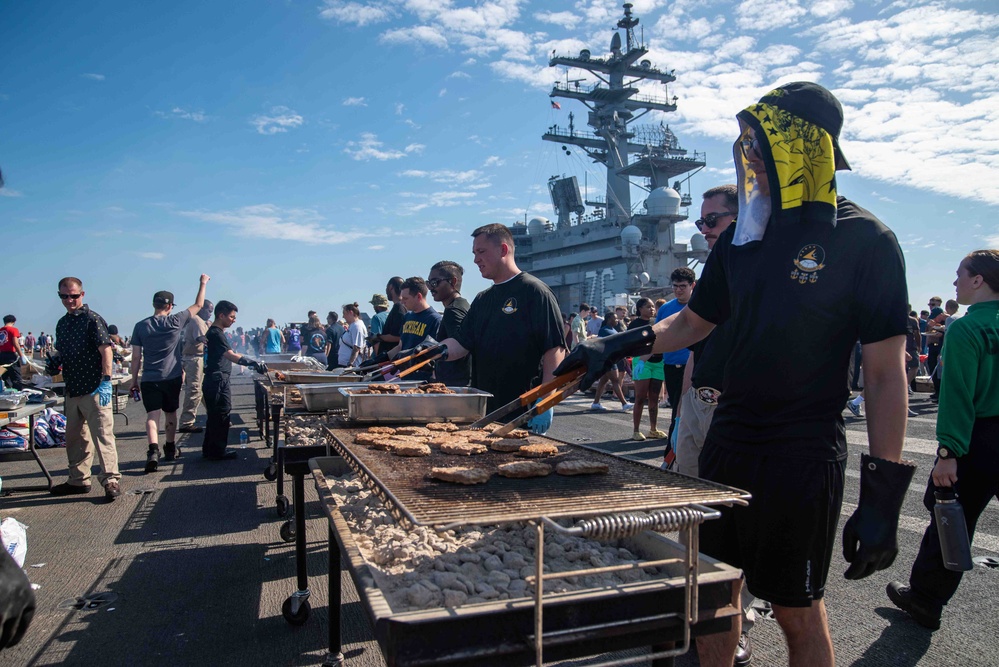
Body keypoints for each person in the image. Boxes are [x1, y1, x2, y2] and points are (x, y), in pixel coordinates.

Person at [556, 82, 914, 667]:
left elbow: (883, 373)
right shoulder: (742, 238)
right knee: (711, 594)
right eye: (743, 140)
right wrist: (616, 342)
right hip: (729, 439)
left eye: (757, 138)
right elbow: (694, 322)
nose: (745, 152)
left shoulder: (864, 239)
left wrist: (884, 492)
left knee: (798, 609)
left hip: (801, 449)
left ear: (800, 144)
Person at [887, 250, 999, 631]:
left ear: (978, 280)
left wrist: (948, 452)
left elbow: (957, 396)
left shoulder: (967, 328)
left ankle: (925, 600)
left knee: (951, 516)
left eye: (959, 276)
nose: (954, 283)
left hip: (979, 437)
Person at [433, 223, 566, 434]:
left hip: (523, 410)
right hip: (486, 412)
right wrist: (431, 351)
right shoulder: (483, 298)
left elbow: (555, 349)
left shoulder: (535, 292)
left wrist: (548, 399)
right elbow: (461, 343)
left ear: (503, 250)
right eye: (475, 253)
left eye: (481, 252)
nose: (476, 259)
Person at [52, 276, 124, 500]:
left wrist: (106, 380)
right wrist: (54, 363)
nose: (69, 300)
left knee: (102, 435)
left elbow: (106, 350)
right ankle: (78, 480)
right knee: (75, 439)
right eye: (64, 296)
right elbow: (62, 352)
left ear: (82, 294)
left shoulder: (93, 320)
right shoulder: (62, 324)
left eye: (73, 296)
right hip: (73, 389)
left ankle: (110, 480)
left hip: (94, 388)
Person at [130, 277, 210, 472]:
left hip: (149, 377)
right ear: (170, 306)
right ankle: (170, 447)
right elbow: (199, 304)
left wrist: (134, 380)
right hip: (171, 376)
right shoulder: (176, 321)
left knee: (152, 415)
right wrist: (203, 283)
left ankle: (152, 450)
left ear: (154, 305)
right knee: (170, 413)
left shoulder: (141, 326)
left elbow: (136, 357)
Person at [202, 300, 265, 460]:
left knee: (215, 415)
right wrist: (252, 363)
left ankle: (210, 450)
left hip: (215, 378)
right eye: (231, 316)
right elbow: (230, 355)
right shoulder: (216, 333)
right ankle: (217, 451)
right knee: (221, 414)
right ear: (220, 315)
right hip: (217, 380)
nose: (234, 320)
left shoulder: (215, 332)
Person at [655, 266, 696, 453]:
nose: (678, 290)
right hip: (671, 365)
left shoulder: (701, 305)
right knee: (676, 409)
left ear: (692, 285)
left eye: (683, 286)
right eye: (675, 286)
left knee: (692, 407)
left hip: (695, 364)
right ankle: (674, 448)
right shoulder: (665, 308)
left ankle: (679, 448)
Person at [385, 277, 441, 380]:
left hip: (422, 380)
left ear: (418, 296)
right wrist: (383, 357)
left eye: (406, 299)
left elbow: (435, 353)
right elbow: (400, 346)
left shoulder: (435, 320)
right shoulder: (407, 317)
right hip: (404, 377)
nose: (402, 302)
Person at [628, 298, 666, 440]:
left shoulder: (657, 322)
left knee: (654, 398)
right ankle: (636, 430)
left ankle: (653, 429)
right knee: (640, 397)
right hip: (641, 362)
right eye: (648, 307)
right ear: (639, 309)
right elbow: (630, 343)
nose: (651, 309)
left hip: (658, 361)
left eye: (652, 307)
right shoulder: (634, 324)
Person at [428, 260, 471, 386]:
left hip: (456, 385)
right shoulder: (463, 305)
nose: (431, 287)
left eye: (435, 282)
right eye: (428, 283)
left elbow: (462, 347)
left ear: (453, 282)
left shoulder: (453, 310)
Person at [178, 300, 214, 434]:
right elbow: (202, 339)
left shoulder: (200, 321)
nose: (211, 314)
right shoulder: (197, 321)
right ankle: (187, 422)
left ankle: (215, 415)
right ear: (202, 309)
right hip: (194, 359)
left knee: (203, 390)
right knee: (194, 390)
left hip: (196, 358)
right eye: (209, 310)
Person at [589, 311, 632, 412]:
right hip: (608, 360)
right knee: (615, 381)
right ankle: (624, 403)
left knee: (603, 381)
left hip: (613, 359)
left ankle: (595, 403)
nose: (617, 320)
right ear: (609, 319)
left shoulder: (612, 330)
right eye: (615, 318)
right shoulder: (604, 330)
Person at [371, 277, 406, 355]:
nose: (386, 291)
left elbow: (398, 336)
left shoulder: (398, 307)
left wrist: (378, 337)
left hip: (392, 357)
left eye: (386, 288)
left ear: (391, 287)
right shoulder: (402, 306)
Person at [0, 314, 27, 390]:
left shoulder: (1, 330)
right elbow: (15, 343)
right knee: (16, 377)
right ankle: (18, 393)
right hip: (11, 356)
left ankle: (8, 393)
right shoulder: (13, 330)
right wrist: (21, 355)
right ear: (13, 322)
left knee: (5, 377)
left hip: (2, 355)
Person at [337, 303, 368, 368]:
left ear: (350, 312)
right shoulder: (353, 326)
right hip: (345, 364)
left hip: (351, 366)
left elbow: (356, 347)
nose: (343, 316)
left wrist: (350, 364)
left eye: (344, 313)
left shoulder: (357, 326)